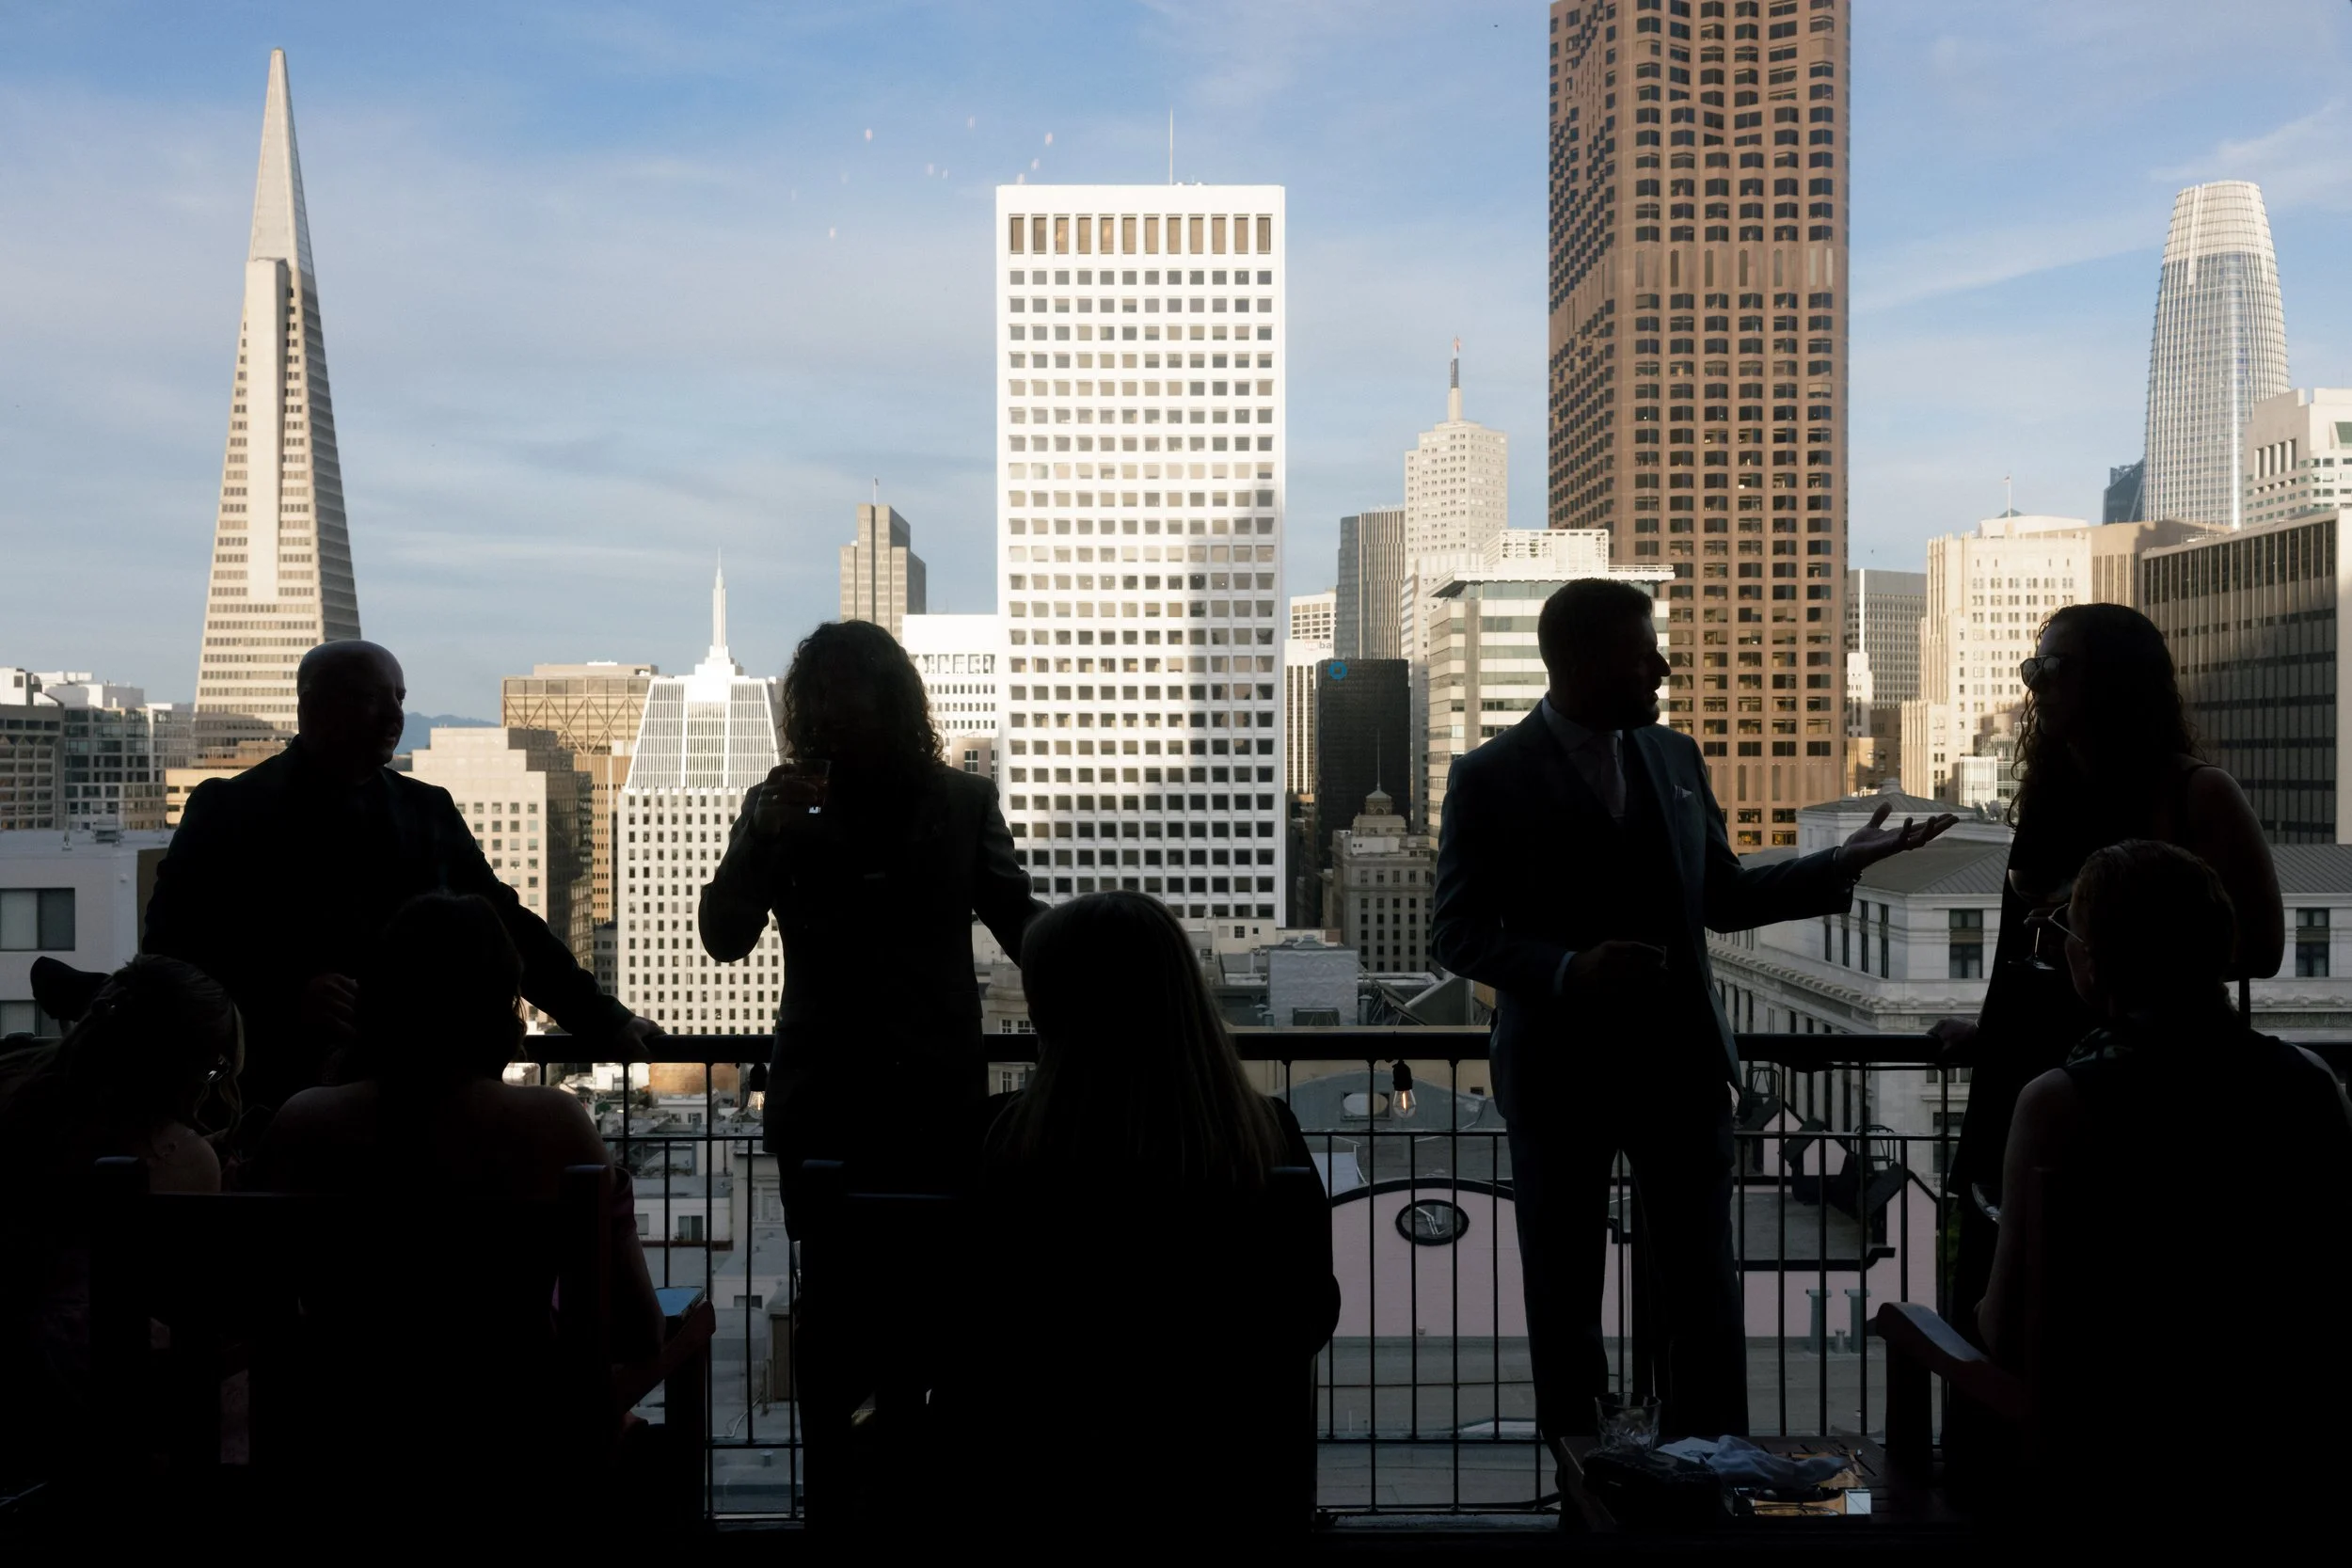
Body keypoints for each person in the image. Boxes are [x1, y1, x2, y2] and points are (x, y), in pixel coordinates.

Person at [1432, 578, 1953, 1442]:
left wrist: (1841, 866)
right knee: (1562, 1287)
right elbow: (1455, 931)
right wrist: (1568, 969)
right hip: (1558, 1076)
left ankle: (1713, 1470)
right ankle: (1583, 1478)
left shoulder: (1675, 759)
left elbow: (1723, 897)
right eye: (1646, 653)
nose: (1663, 668)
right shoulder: (1487, 776)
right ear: (1588, 659)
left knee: (1705, 1288)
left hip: (1679, 1068)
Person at [1939, 603, 2281, 1350]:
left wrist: (2126, 942)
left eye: (2054, 666)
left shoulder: (2198, 793)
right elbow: (2020, 954)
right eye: (2035, 666)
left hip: (2139, 1096)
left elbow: (2261, 944)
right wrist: (1994, 1029)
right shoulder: (2052, 793)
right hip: (2025, 1076)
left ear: (2117, 682)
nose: (2036, 682)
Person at [1979, 841, 2352, 1510]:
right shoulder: (2313, 1084)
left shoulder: (2059, 1102)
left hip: (2109, 1463)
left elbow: (2005, 1331)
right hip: (2287, 1452)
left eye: (2069, 931)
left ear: (2094, 964)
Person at [260, 893, 662, 1502]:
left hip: (338, 1451)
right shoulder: (554, 1123)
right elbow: (638, 1330)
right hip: (519, 1454)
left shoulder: (303, 1121)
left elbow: (260, 1298)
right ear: (501, 1008)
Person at [145, 640, 653, 1110]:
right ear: (312, 709)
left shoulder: (427, 808)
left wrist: (602, 1018)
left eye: (399, 697)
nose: (395, 714)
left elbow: (507, 924)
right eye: (370, 697)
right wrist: (279, 1000)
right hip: (270, 1088)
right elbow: (170, 951)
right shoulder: (228, 809)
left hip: (413, 1089)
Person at [970, 891, 1339, 1531]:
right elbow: (1310, 1307)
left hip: (1049, 1490)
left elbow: (981, 1326)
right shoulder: (1262, 1137)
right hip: (1226, 1488)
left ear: (1054, 1009)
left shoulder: (1011, 1146)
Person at [699, 620, 1041, 1221]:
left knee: (842, 1289)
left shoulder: (961, 802)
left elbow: (1020, 925)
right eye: (821, 697)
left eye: (843, 694)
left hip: (856, 1092)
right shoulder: (779, 807)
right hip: (911, 1089)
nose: (832, 713)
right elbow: (723, 937)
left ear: (883, 700)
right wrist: (758, 838)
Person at [0, 958, 243, 1480]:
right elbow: (187, 1299)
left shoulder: (15, 1087)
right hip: (94, 1386)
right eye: (213, 1069)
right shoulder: (179, 1153)